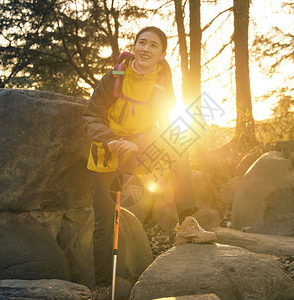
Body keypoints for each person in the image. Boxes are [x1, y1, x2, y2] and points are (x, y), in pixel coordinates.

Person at [83, 26, 216, 299]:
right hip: (105, 155)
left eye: (153, 45)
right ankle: (101, 286)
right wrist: (111, 140)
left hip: (137, 153)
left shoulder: (162, 83)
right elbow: (91, 117)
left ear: (162, 53)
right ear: (133, 47)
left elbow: (167, 123)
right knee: (104, 224)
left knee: (180, 139)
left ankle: (186, 223)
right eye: (141, 43)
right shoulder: (113, 78)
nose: (145, 48)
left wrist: (145, 145)